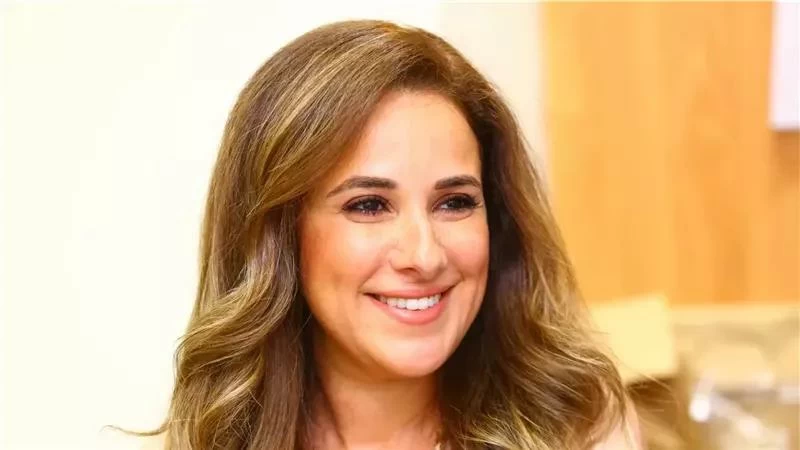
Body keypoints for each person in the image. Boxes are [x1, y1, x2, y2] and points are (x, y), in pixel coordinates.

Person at [146, 20, 641, 450]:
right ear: (280, 234)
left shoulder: (581, 429)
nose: (424, 256)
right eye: (369, 205)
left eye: (455, 202)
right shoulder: (206, 437)